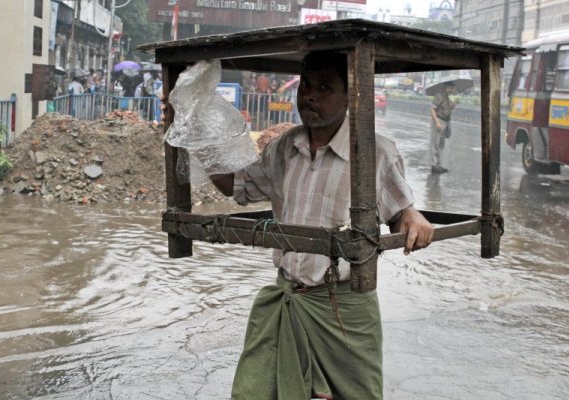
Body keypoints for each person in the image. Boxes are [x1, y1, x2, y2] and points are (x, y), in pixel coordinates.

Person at [164, 51, 434, 399]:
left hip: (343, 312)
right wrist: (195, 131)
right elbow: (237, 186)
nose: (309, 95)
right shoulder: (284, 148)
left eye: (324, 87)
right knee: (254, 392)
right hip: (286, 299)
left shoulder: (375, 152)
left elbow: (403, 212)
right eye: (306, 85)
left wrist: (413, 217)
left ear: (350, 95)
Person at [429, 81, 455, 174]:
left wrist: (451, 106)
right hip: (439, 121)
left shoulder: (447, 97)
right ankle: (434, 165)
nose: (450, 90)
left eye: (452, 88)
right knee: (435, 144)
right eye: (449, 88)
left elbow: (445, 109)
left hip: (446, 122)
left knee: (441, 145)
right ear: (444, 88)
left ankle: (439, 165)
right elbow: (432, 109)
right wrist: (437, 122)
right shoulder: (439, 96)